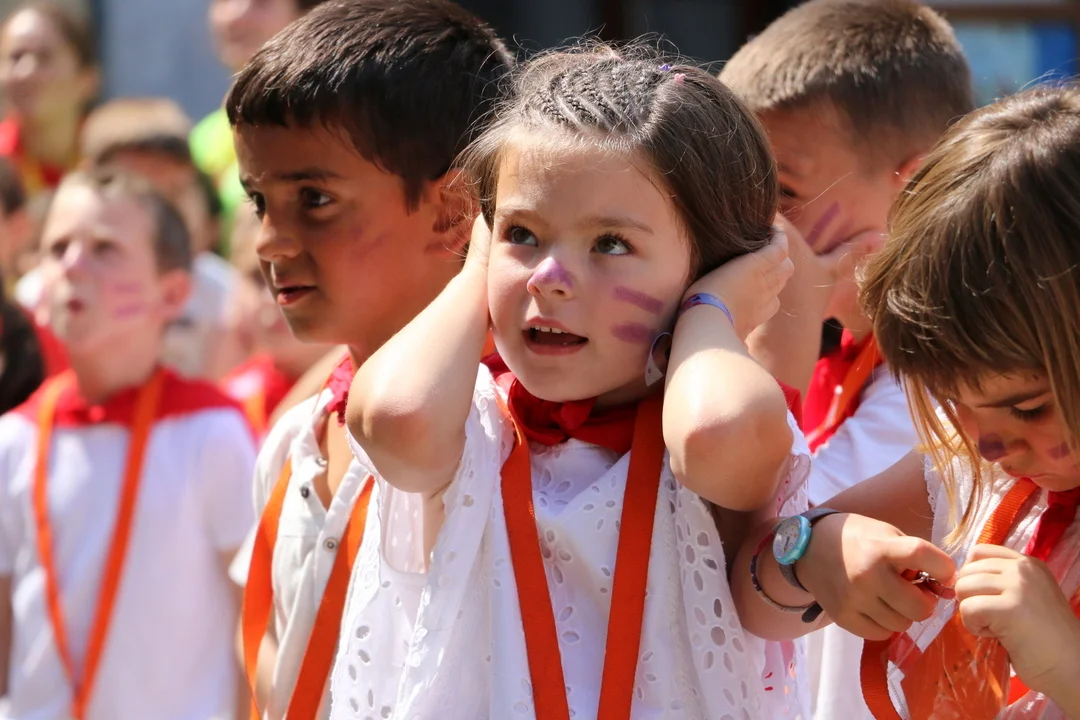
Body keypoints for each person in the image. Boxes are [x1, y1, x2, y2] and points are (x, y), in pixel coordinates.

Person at [334, 45, 810, 720]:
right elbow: (392, 418)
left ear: (712, 264)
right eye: (523, 234)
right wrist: (481, 264)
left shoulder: (715, 428)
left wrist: (711, 309)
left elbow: (714, 432)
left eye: (610, 244)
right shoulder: (474, 424)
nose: (548, 278)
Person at [734, 83, 1080, 719]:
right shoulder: (965, 477)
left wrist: (1068, 667)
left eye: (1028, 407)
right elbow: (750, 596)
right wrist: (813, 549)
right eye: (952, 402)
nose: (986, 443)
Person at [225, 1, 513, 717]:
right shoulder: (294, 441)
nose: (268, 240)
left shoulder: (513, 435)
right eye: (259, 200)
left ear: (454, 211)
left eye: (314, 198)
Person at [718, 3, 975, 714]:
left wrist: (779, 330)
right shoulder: (842, 356)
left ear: (914, 187)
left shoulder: (943, 391)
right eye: (736, 196)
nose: (752, 230)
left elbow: (740, 551)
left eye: (784, 195)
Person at [0, 169, 255, 719]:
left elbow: (255, 620)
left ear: (173, 293)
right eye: (57, 248)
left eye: (104, 249)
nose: (72, 265)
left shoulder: (211, 431)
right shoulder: (14, 438)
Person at [80, 97, 241, 379]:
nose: (163, 215)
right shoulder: (51, 293)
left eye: (175, 192)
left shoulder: (227, 299)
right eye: (144, 196)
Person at [193, 0, 329, 239]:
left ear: (306, 14)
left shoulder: (327, 128)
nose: (235, 15)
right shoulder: (203, 136)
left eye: (261, 3)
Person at [220, 203, 331, 436]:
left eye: (294, 274)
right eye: (257, 278)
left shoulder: (377, 389)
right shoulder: (229, 402)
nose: (272, 298)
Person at [0, 1, 98, 198]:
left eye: (43, 57)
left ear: (87, 79)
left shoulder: (113, 162)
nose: (25, 72)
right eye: (15, 57)